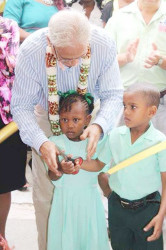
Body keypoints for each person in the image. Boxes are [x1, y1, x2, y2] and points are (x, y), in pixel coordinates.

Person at [11, 9, 123, 250]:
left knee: (88, 195)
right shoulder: (32, 49)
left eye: (79, 57)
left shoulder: (103, 44)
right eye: (65, 59)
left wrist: (98, 125)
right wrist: (42, 142)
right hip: (46, 120)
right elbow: (21, 106)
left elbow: (113, 95)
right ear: (51, 42)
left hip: (91, 120)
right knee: (47, 199)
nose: (72, 65)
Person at [81, 83, 166, 250]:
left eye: (133, 107)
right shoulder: (115, 135)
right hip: (118, 209)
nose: (126, 112)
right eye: (124, 106)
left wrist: (160, 215)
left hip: (148, 208)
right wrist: (78, 163)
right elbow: (99, 165)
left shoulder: (160, 143)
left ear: (151, 112)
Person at [45, 91, 110, 250]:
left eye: (76, 119)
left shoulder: (94, 142)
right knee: (65, 240)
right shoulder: (54, 142)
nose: (70, 124)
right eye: (64, 119)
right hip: (64, 204)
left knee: (89, 239)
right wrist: (60, 168)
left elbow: (100, 166)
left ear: (87, 120)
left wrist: (79, 164)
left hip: (88, 202)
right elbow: (52, 175)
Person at [105, 0, 166, 138]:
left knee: (160, 153)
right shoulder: (119, 17)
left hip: (162, 104)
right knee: (117, 152)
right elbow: (102, 63)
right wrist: (125, 58)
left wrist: (161, 60)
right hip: (123, 103)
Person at [0, 17, 27, 247]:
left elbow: (12, 65)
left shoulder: (8, 26)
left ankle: (1, 238)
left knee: (3, 182)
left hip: (6, 116)